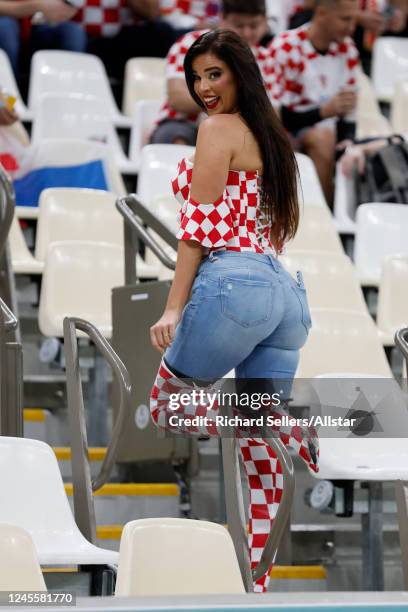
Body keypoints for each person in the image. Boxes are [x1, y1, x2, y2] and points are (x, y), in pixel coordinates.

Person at [149, 29, 319, 593]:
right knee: (259, 458)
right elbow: (273, 227)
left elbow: (197, 232)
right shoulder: (273, 138)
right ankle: (257, 583)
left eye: (214, 74)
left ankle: (273, 420)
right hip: (285, 297)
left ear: (241, 73)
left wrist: (173, 308)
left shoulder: (217, 128)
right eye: (196, 77)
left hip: (236, 281)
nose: (202, 89)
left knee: (167, 409)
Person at [269, 0, 360, 206]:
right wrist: (323, 112)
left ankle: (330, 217)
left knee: (348, 149)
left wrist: (348, 139)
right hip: (281, 130)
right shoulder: (285, 46)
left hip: (325, 130)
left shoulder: (348, 50)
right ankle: (323, 215)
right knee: (323, 138)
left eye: (354, 19)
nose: (352, 27)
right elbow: (271, 115)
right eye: (345, 19)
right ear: (321, 14)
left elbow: (349, 110)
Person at [150, 0, 271, 145]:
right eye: (239, 25)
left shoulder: (268, 59)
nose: (246, 32)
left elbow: (271, 112)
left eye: (254, 26)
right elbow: (177, 99)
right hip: (184, 124)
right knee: (175, 138)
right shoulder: (192, 44)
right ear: (222, 19)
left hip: (242, 131)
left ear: (265, 23)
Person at [71, 0, 178, 78]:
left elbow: (152, 13)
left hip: (121, 41)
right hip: (82, 36)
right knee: (72, 34)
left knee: (162, 31)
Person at [0, 0, 87, 76]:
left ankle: (67, 88)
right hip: (7, 24)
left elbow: (69, 8)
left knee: (72, 32)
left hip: (39, 24)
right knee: (5, 29)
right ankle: (7, 91)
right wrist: (38, 5)